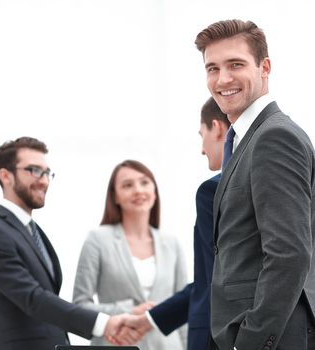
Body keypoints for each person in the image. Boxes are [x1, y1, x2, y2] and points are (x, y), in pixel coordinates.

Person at [194, 19, 315, 350]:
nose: (223, 79)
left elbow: (289, 253)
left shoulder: (274, 137)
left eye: (236, 64)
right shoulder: (245, 140)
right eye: (212, 68)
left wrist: (251, 340)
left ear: (265, 67)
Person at [0, 137, 140, 350]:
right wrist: (103, 323)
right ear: (5, 175)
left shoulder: (31, 231)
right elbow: (33, 298)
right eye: (34, 170)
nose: (44, 180)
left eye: (46, 172)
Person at [119, 97, 230, 350]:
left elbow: (215, 281)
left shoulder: (212, 192)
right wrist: (151, 319)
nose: (202, 148)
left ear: (217, 128)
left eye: (201, 134)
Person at [72, 159, 188, 350]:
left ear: (155, 191)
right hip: (116, 344)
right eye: (127, 185)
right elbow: (80, 306)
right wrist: (130, 310)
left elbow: (185, 309)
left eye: (144, 182)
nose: (138, 190)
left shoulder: (172, 243)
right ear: (115, 196)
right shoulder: (98, 239)